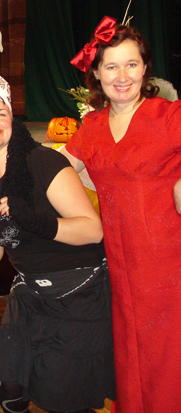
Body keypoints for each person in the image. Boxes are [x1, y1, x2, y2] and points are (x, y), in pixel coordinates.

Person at [0, 76, 116, 413]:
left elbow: (93, 231)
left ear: (13, 123)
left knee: (64, 398)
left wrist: (34, 221)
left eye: (1, 113)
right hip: (31, 295)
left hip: (79, 294)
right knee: (9, 382)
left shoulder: (43, 162)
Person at [65, 17, 181, 413]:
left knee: (168, 357)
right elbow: (56, 170)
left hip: (169, 268)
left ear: (145, 68)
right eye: (111, 66)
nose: (122, 76)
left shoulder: (169, 115)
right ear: (97, 73)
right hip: (120, 269)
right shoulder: (93, 125)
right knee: (131, 354)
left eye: (131, 64)